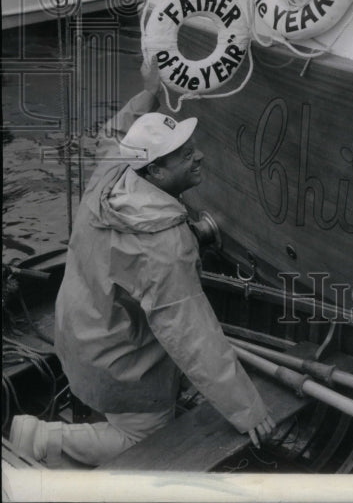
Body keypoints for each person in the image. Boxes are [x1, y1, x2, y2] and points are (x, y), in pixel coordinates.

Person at [9, 63, 274, 468]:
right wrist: (246, 409)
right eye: (186, 156)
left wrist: (149, 93)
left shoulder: (114, 171)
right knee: (144, 436)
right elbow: (191, 334)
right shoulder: (163, 248)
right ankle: (42, 438)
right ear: (155, 171)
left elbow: (115, 134)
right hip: (114, 362)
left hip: (75, 330)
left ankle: (85, 413)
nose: (199, 156)